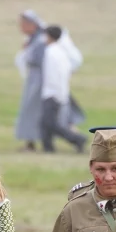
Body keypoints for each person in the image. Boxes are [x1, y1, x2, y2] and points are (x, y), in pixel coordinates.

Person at [40, 25, 86, 153]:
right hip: (55, 92)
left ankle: (77, 139)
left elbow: (55, 75)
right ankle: (47, 147)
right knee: (45, 123)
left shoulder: (52, 52)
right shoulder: (59, 51)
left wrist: (57, 94)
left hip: (52, 93)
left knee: (50, 123)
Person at [14, 10, 47, 151]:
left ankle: (32, 142)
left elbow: (36, 60)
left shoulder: (40, 41)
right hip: (33, 79)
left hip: (39, 81)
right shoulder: (33, 40)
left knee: (32, 109)